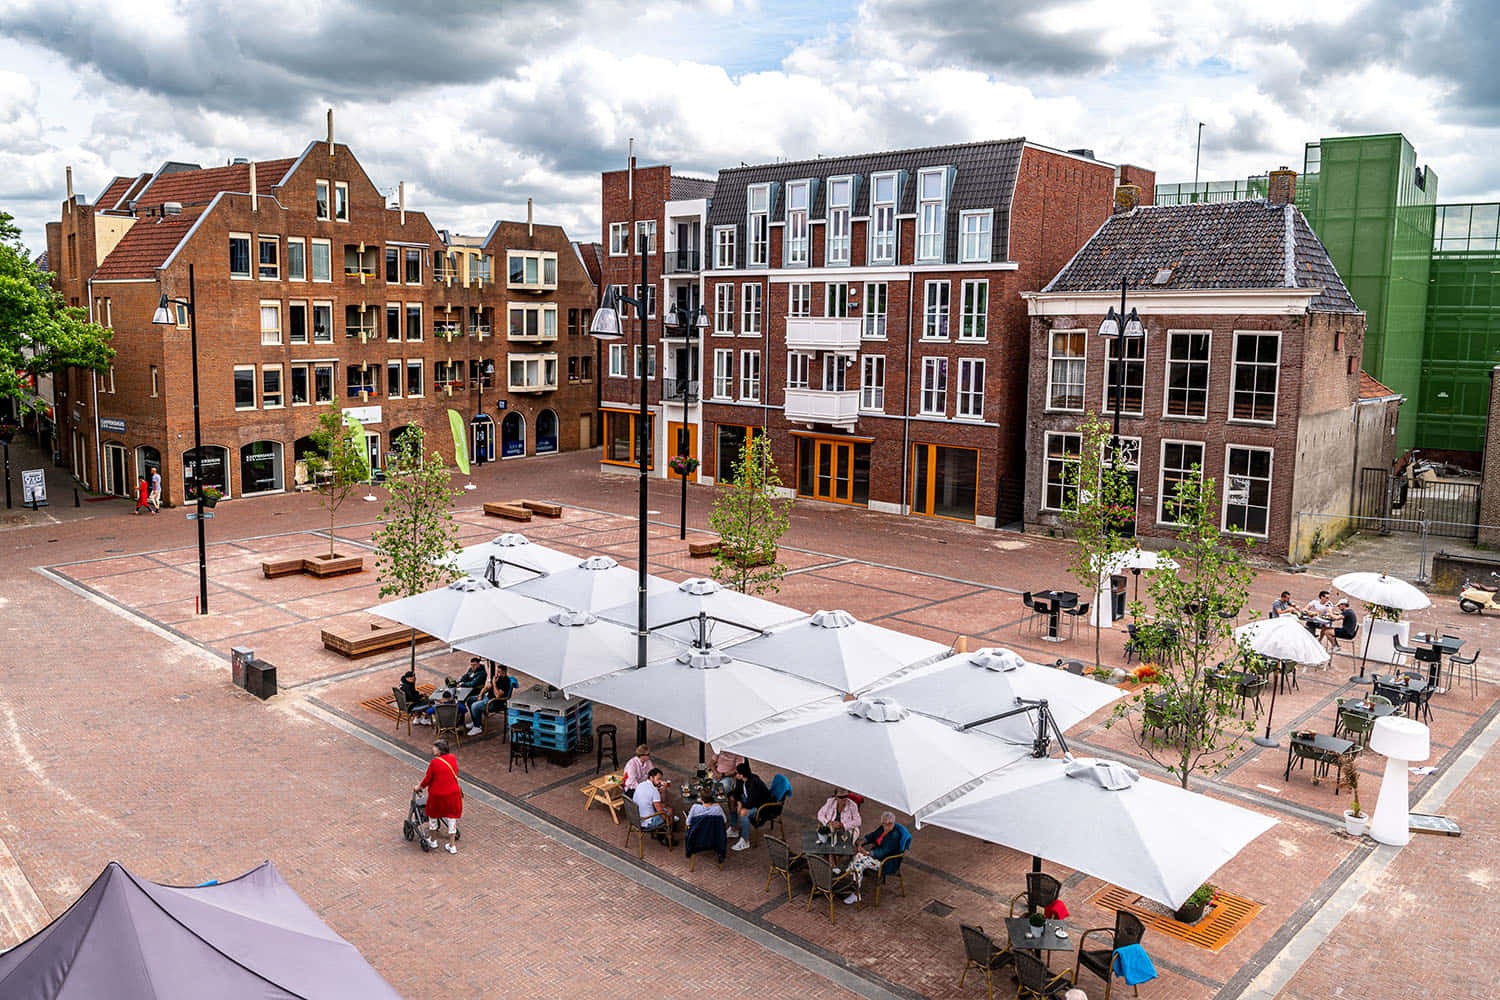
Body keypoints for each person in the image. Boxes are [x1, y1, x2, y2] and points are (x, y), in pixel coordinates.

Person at [414, 738, 462, 854]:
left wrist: (418, 787)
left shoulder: (435, 762)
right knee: (452, 818)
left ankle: (433, 840)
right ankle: (452, 845)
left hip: (437, 795)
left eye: (434, 748)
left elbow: (428, 779)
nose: (432, 749)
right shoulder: (452, 758)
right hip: (453, 794)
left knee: (433, 816)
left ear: (439, 751)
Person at [846, 812, 906, 904]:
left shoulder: (894, 836)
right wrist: (861, 843)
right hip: (875, 858)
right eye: (884, 824)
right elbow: (872, 836)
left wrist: (867, 853)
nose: (886, 826)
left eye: (888, 824)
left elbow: (883, 852)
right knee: (858, 858)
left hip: (886, 862)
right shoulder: (881, 829)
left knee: (859, 861)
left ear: (893, 824)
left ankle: (854, 887)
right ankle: (853, 879)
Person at [730, 761, 771, 851]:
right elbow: (736, 792)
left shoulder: (754, 783)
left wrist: (741, 807)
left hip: (762, 806)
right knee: (732, 799)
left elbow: (751, 803)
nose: (734, 774)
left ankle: (745, 840)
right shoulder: (741, 780)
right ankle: (733, 828)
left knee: (743, 813)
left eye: (736, 773)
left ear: (741, 774)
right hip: (750, 801)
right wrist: (739, 803)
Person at [470, 663, 517, 735]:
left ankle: (477, 727)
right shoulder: (496, 678)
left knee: (474, 706)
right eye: (497, 671)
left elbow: (497, 695)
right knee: (470, 700)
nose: (497, 673)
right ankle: (475, 721)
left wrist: (494, 684)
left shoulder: (505, 682)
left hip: (494, 703)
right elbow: (486, 687)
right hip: (487, 698)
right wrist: (480, 694)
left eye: (498, 672)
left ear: (504, 673)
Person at [633, 768, 675, 834]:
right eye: (658, 779)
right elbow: (660, 810)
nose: (660, 782)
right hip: (646, 823)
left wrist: (662, 791)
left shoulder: (640, 785)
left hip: (635, 819)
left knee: (663, 807)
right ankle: (668, 835)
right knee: (669, 810)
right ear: (651, 778)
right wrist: (668, 820)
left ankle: (664, 831)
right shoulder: (654, 790)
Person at [455, 658, 489, 736]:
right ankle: (467, 720)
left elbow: (473, 683)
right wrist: (460, 681)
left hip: (476, 691)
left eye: (474, 665)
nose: (472, 667)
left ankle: (461, 723)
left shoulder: (482, 673)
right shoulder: (471, 669)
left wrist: (463, 684)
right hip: (468, 690)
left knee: (461, 700)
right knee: (459, 698)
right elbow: (465, 676)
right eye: (471, 665)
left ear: (478, 664)